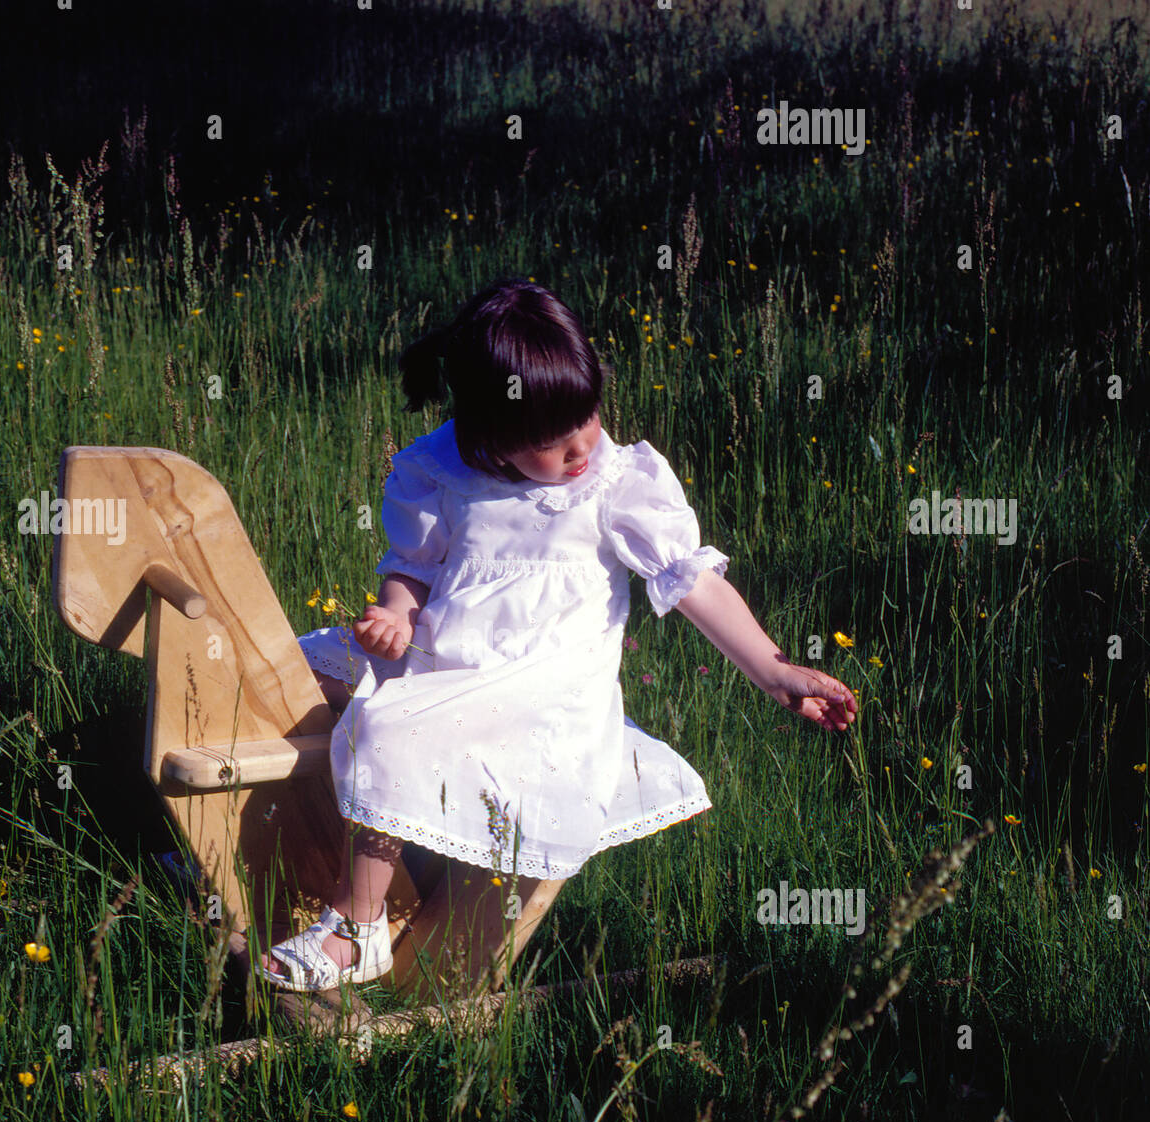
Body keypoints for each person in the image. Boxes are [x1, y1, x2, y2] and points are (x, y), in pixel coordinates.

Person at [255, 277, 856, 992]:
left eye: (587, 421)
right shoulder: (441, 470)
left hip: (543, 684)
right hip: (444, 656)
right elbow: (412, 570)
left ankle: (358, 925)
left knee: (388, 730)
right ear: (488, 438)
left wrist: (774, 670)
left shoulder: (616, 483)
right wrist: (394, 613)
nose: (579, 449)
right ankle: (250, 842)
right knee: (292, 674)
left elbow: (693, 582)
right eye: (550, 442)